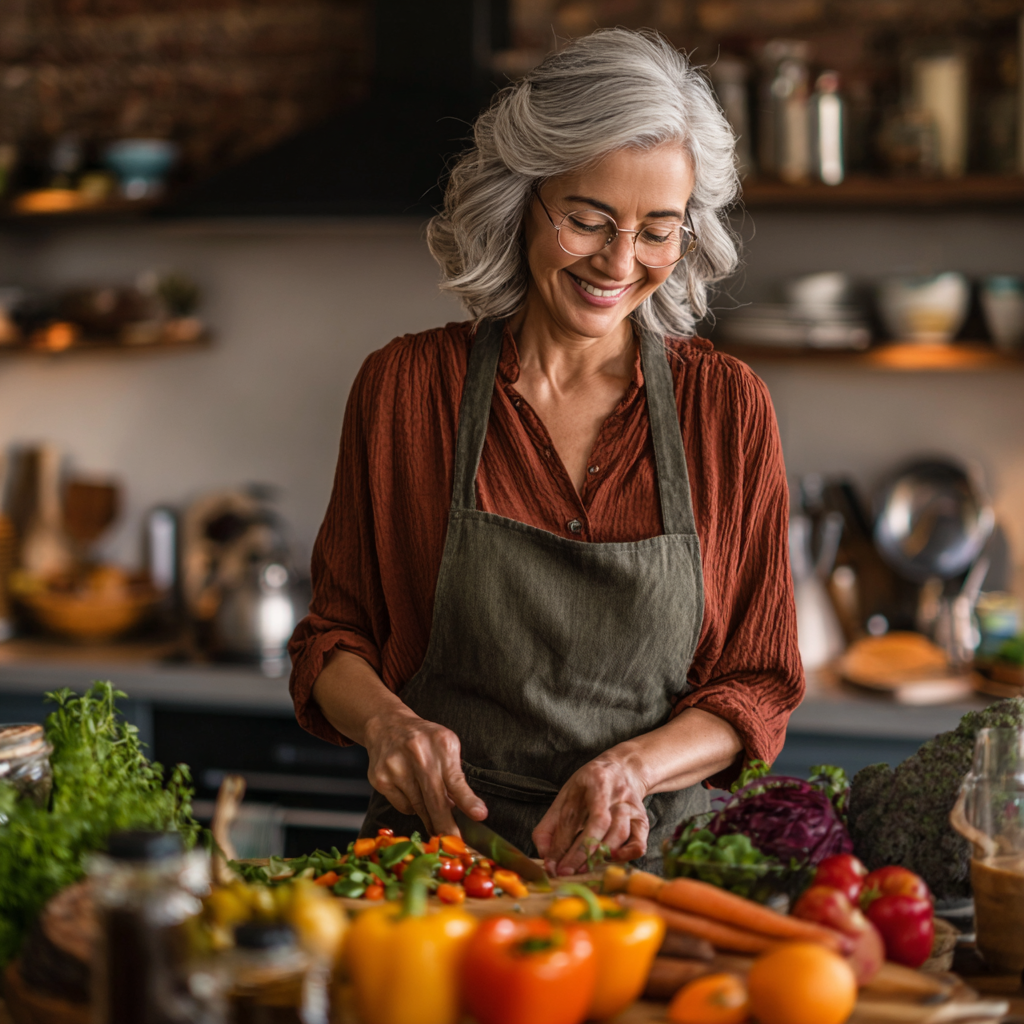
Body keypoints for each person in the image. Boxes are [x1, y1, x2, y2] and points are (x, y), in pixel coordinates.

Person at [289, 28, 804, 876]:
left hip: (652, 888)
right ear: (520, 199)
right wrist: (387, 724)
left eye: (657, 231)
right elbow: (335, 635)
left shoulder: (727, 408)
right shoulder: (407, 388)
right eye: (588, 219)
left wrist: (630, 769)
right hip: (437, 876)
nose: (620, 261)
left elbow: (756, 683)